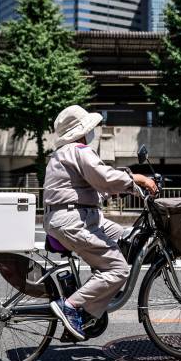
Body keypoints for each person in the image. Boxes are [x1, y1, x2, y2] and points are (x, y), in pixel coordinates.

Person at [43, 105, 157, 341]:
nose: (93, 132)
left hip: (72, 217)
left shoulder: (62, 153)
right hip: (74, 220)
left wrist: (125, 188)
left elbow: (90, 187)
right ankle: (73, 306)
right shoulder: (79, 150)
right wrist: (137, 178)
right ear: (82, 131)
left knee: (125, 236)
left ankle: (91, 302)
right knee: (118, 269)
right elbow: (104, 178)